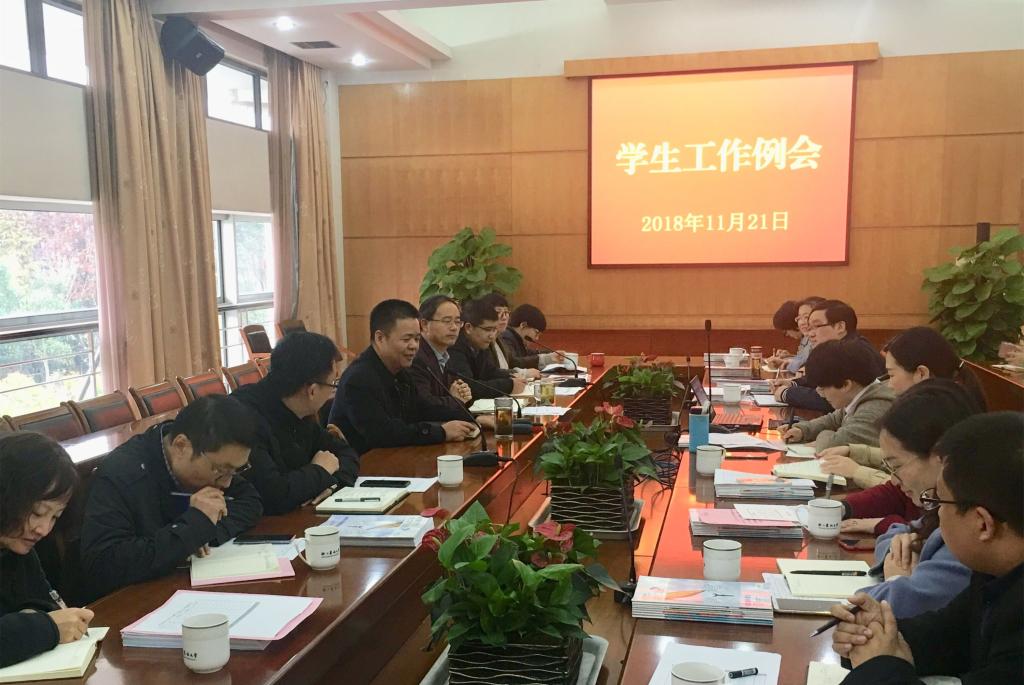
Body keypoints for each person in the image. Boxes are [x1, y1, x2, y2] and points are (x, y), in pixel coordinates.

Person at [830, 412, 1023, 684]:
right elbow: (947, 636)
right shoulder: (995, 576)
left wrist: (879, 667)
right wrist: (875, 632)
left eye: (939, 502)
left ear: (983, 524)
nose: (935, 514)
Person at [79, 396, 263, 601]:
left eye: (235, 471)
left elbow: (250, 501)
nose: (227, 483)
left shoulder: (216, 465)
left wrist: (202, 534)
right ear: (181, 445)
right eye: (221, 470)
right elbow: (103, 564)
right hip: (128, 601)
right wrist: (189, 531)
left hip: (178, 587)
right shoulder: (122, 474)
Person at [847, 381, 981, 617]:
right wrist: (901, 548)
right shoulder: (940, 508)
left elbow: (879, 606)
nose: (894, 480)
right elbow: (897, 534)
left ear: (940, 457)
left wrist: (897, 579)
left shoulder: (968, 525)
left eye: (896, 465)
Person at [818, 326, 988, 491]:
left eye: (892, 375)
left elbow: (919, 490)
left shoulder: (945, 415)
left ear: (921, 373)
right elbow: (906, 457)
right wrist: (855, 451)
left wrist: (857, 472)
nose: (889, 385)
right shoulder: (939, 404)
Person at [231, 331, 360, 515]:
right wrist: (319, 471)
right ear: (312, 391)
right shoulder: (245, 418)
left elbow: (345, 453)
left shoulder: (299, 407)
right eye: (333, 384)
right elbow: (273, 494)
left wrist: (332, 484)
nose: (333, 391)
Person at [329, 299, 478, 454]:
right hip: (365, 463)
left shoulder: (400, 371)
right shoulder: (359, 378)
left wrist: (473, 419)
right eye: (406, 339)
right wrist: (442, 432)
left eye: (417, 339)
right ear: (380, 338)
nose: (414, 346)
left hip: (396, 456)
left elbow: (422, 409)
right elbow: (383, 434)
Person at [0, 433, 94, 667]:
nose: (43, 529)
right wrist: (46, 628)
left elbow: (47, 602)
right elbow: (51, 621)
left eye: (55, 517)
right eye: (38, 513)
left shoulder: (17, 545)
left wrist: (31, 621)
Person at [774, 300, 885, 412]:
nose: (810, 334)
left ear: (840, 327)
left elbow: (831, 399)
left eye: (817, 326)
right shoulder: (844, 348)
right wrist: (793, 383)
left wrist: (787, 393)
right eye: (810, 328)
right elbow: (825, 379)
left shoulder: (853, 352)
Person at [782, 339, 896, 450]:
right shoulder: (859, 395)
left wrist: (824, 436)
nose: (820, 394)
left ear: (846, 385)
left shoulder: (873, 409)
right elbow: (834, 419)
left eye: (822, 388)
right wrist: (803, 430)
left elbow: (833, 444)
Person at [448, 298, 527, 399]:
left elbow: (489, 372)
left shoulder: (479, 344)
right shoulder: (455, 347)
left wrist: (512, 376)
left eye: (494, 330)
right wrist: (509, 385)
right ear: (468, 327)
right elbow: (469, 386)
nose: (492, 336)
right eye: (488, 329)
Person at [410, 295, 474, 414]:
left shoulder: (445, 355)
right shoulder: (416, 356)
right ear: (424, 324)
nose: (454, 328)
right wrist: (456, 401)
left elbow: (451, 397)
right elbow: (424, 405)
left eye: (457, 322)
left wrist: (463, 395)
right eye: (447, 321)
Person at [766, 296, 824, 374]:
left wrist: (786, 363)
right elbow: (803, 360)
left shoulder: (823, 341)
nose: (802, 322)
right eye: (799, 318)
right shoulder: (808, 337)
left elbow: (805, 366)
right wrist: (789, 357)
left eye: (806, 317)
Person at [501, 303, 566, 372]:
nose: (536, 338)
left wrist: (551, 354)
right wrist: (546, 359)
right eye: (536, 333)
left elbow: (528, 353)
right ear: (523, 325)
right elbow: (514, 363)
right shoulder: (506, 337)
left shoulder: (515, 338)